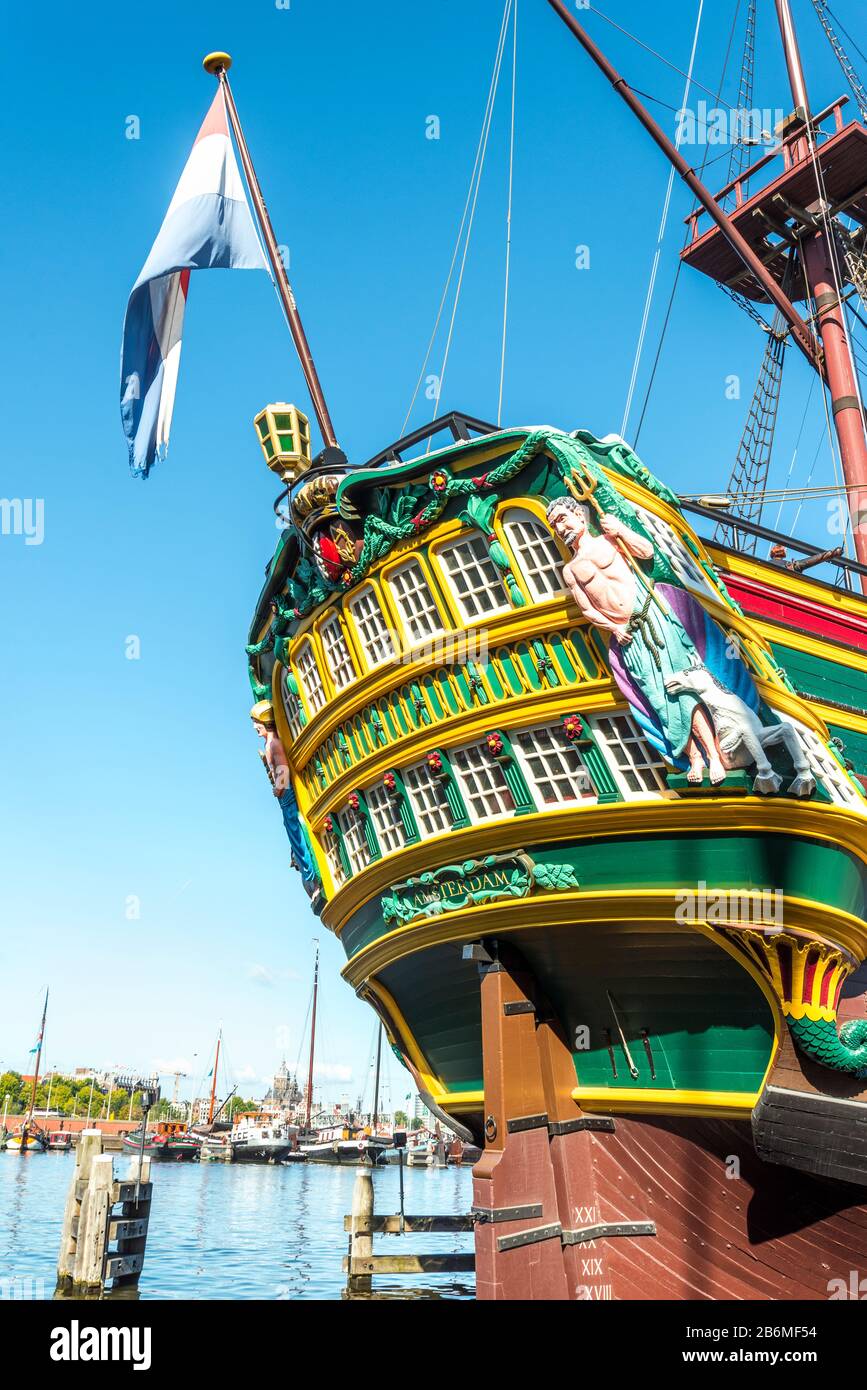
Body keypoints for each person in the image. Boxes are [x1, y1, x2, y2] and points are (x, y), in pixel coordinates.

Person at [545, 496, 724, 781]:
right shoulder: (570, 569)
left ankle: (714, 755)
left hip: (650, 615)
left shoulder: (608, 540)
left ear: (580, 515)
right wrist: (613, 628)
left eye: (563, 518)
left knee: (683, 688)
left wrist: (620, 530)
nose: (560, 527)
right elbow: (588, 608)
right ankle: (694, 758)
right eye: (554, 525)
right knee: (659, 697)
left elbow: (646, 552)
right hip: (628, 635)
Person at [250, 701, 323, 899]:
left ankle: (312, 876)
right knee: (292, 833)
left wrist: (279, 788)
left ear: (266, 722)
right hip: (284, 797)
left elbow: (282, 768)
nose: (255, 727)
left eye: (257, 722)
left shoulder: (274, 744)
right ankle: (306, 871)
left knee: (297, 833)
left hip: (287, 795)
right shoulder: (268, 744)